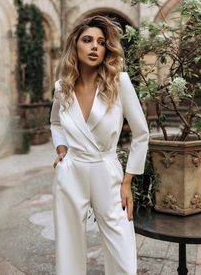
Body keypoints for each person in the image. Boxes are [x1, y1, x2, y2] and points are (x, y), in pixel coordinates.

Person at [50, 15, 149, 275]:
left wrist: (128, 181)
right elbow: (56, 123)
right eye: (87, 40)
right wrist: (61, 150)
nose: (95, 46)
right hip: (71, 172)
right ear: (76, 46)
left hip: (108, 171)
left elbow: (141, 133)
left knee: (123, 251)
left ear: (107, 49)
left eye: (101, 42)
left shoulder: (120, 83)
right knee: (68, 248)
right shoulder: (62, 88)